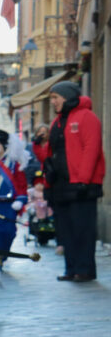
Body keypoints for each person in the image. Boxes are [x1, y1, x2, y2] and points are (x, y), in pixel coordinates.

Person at [45, 80, 105, 282]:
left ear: (68, 96)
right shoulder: (57, 122)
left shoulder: (87, 117)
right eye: (51, 98)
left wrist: (84, 180)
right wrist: (47, 184)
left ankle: (85, 269)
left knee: (83, 229)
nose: (52, 102)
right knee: (66, 230)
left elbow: (92, 149)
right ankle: (71, 268)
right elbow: (50, 154)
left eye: (55, 97)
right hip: (60, 185)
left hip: (82, 184)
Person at [0, 129, 29, 262]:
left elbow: (21, 184)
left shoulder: (13, 164)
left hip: (9, 205)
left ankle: (2, 255)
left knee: (8, 232)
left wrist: (21, 200)